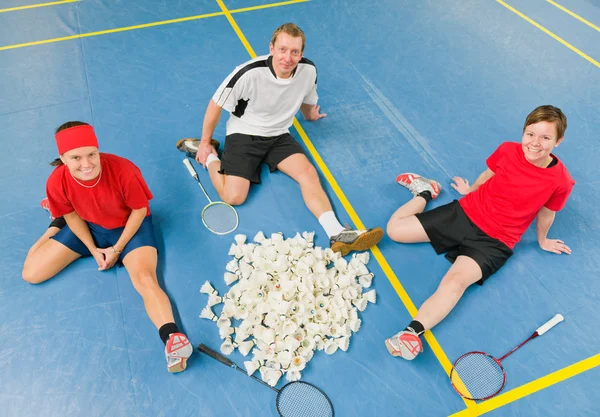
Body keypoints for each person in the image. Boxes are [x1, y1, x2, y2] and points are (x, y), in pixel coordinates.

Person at [384, 105, 575, 360]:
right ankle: (425, 191)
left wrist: (542, 240)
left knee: (455, 282)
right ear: (523, 132)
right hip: (464, 214)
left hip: (494, 242)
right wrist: (471, 190)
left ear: (558, 141)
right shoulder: (508, 150)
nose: (535, 143)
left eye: (545, 137)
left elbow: (547, 212)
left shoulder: (560, 181)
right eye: (530, 134)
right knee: (395, 230)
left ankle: (411, 332)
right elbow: (490, 173)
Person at [176, 23, 383, 256]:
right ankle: (212, 155)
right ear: (272, 48)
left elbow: (306, 95)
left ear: (301, 53)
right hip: (245, 134)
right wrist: (205, 142)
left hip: (278, 135)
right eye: (283, 50)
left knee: (308, 173)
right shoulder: (249, 73)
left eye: (295, 52)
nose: (288, 57)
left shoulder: (308, 70)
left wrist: (309, 114)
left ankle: (336, 233)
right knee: (233, 196)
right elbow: (216, 103)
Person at [22, 121, 193, 373]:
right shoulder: (57, 180)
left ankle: (172, 338)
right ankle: (54, 222)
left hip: (130, 228)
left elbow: (139, 210)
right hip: (87, 225)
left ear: (98, 149)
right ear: (63, 158)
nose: (86, 163)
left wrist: (116, 249)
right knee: (31, 274)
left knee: (146, 278)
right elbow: (73, 217)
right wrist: (92, 248)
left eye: (92, 154)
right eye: (76, 157)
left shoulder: (124, 170)